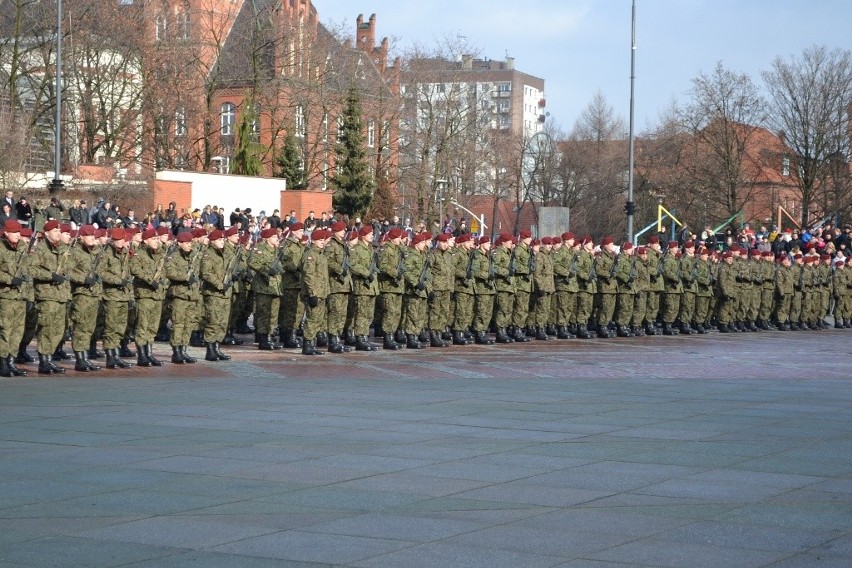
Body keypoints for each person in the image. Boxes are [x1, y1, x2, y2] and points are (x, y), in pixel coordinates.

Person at [0, 220, 29, 377]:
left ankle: (11, 362)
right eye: (14, 232)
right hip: (5, 296)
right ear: (6, 233)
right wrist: (10, 279)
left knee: (18, 331)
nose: (18, 235)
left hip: (20, 296)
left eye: (19, 232)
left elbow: (27, 267)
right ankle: (2, 362)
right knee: (5, 330)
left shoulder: (23, 247)